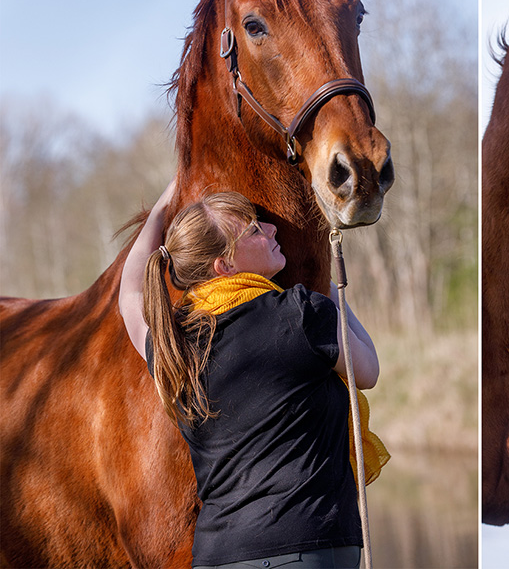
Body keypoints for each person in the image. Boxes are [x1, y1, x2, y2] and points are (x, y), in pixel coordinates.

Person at [119, 181, 386, 569]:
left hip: (219, 556)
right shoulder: (301, 313)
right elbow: (369, 370)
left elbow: (130, 299)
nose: (272, 230)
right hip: (309, 548)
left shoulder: (172, 348)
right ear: (224, 266)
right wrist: (324, 283)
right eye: (255, 231)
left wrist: (162, 209)